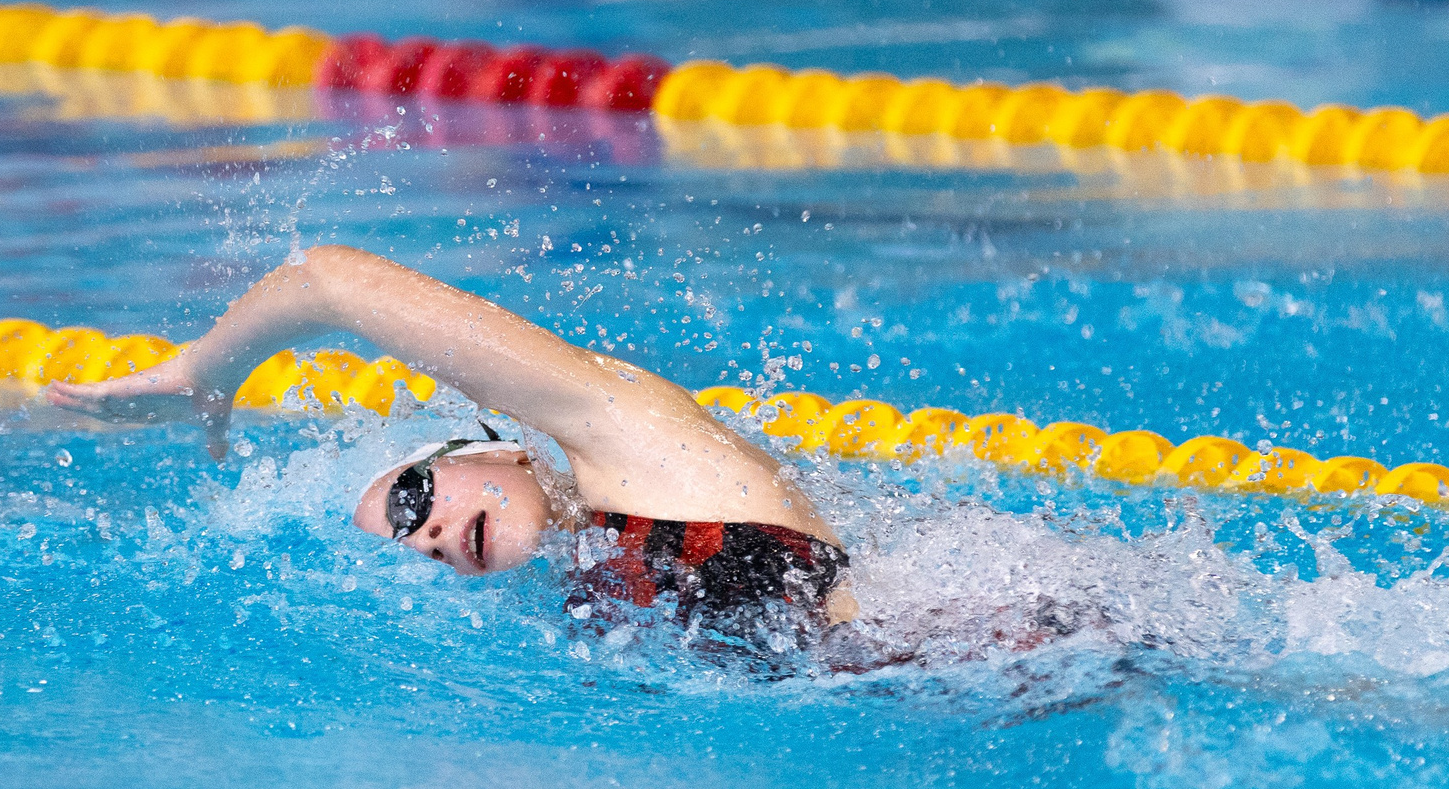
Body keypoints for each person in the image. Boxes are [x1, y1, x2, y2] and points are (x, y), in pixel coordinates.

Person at [46, 245, 859, 640]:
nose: (424, 538)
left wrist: (207, 370)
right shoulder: (593, 599)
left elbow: (328, 280)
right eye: (406, 547)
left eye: (411, 502)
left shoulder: (630, 439)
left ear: (495, 450)